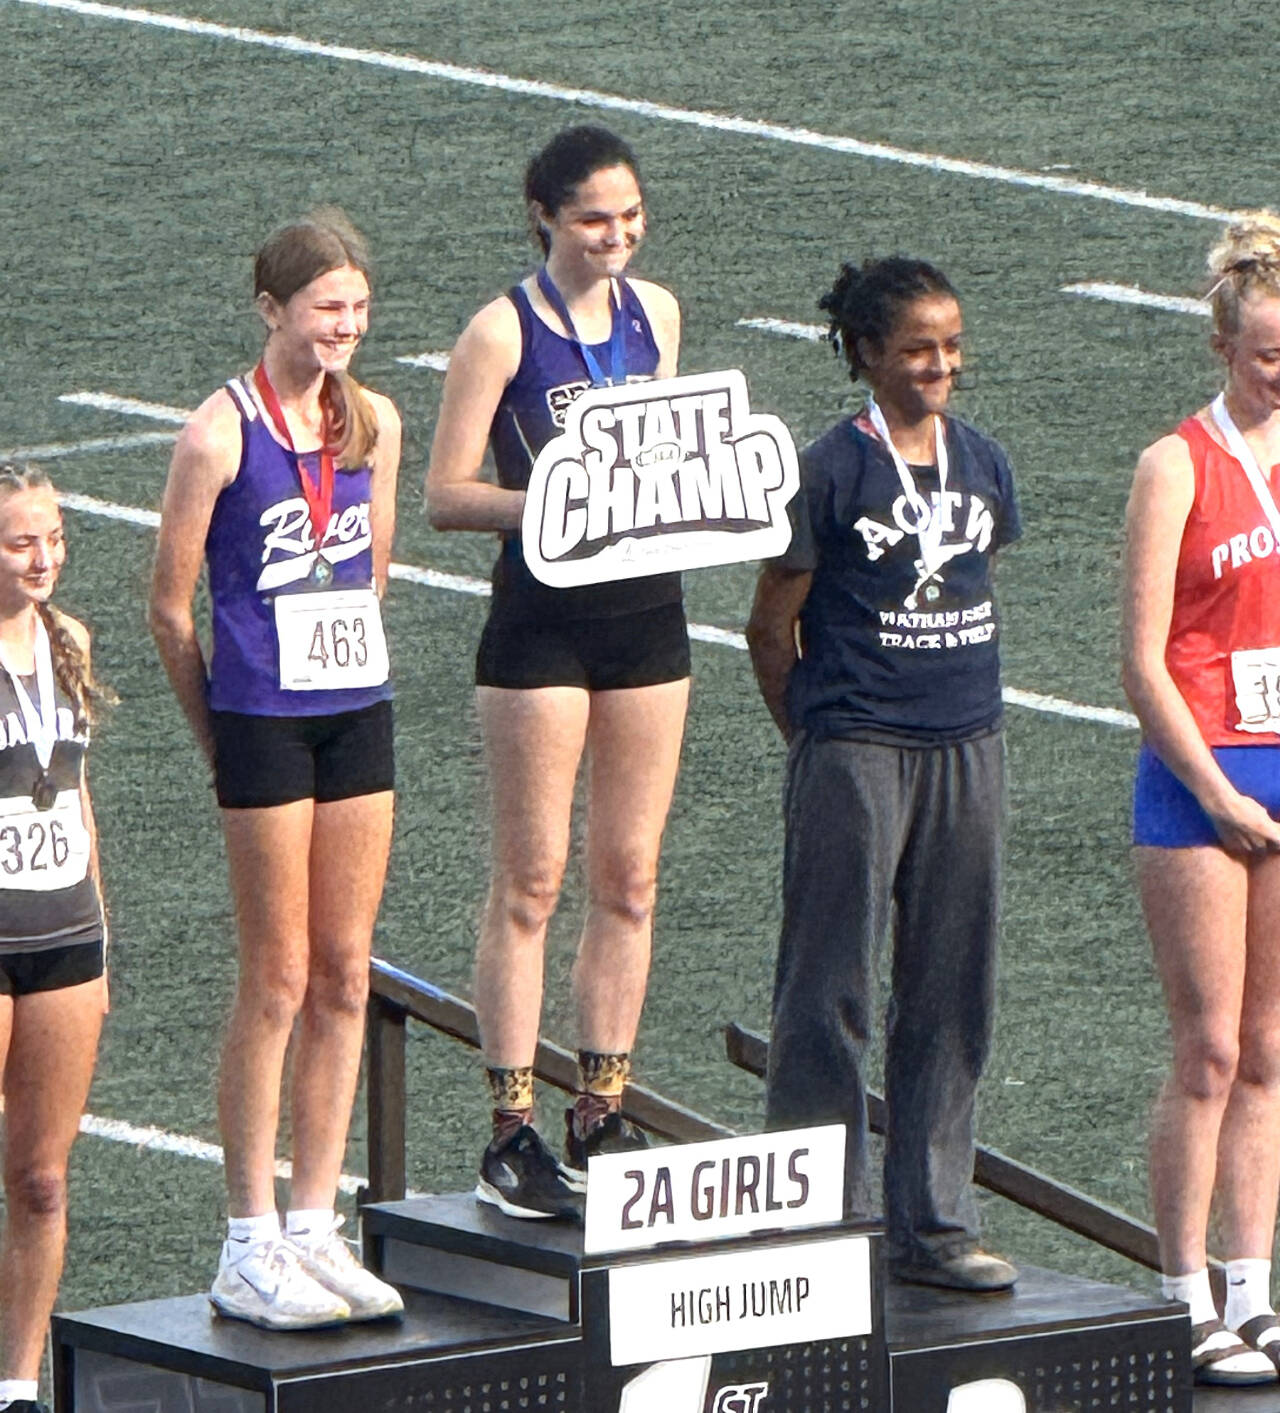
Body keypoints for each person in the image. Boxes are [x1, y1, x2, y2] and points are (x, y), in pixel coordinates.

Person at [425, 125, 686, 1220]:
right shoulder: (500, 330)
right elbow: (444, 495)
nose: (615, 236)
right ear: (541, 214)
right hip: (539, 628)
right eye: (592, 218)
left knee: (627, 876)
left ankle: (602, 1105)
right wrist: (559, 507)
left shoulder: (656, 314)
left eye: (628, 216)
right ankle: (511, 1127)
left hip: (645, 620)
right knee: (531, 879)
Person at [149, 210, 404, 1330]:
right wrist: (220, 732)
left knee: (347, 971)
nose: (342, 327)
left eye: (355, 307)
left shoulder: (373, 421)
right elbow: (168, 607)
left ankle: (313, 1222)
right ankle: (246, 1238)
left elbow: (374, 572)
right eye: (323, 308)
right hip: (260, 717)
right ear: (272, 310)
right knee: (277, 978)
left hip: (355, 712)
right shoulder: (219, 432)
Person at [747, 257, 1020, 1291]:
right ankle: (815, 1220)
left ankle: (934, 1222)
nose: (938, 365)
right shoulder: (828, 470)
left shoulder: (984, 461)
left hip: (966, 739)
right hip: (855, 743)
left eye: (949, 346)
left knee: (952, 987)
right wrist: (817, 740)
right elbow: (771, 626)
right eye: (915, 348)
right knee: (827, 990)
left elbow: (979, 582)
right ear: (864, 353)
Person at [1122, 212, 1280, 1386]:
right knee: (1208, 1049)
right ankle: (1177, 1293)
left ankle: (1250, 1286)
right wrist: (1215, 793)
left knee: (1272, 1050)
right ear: (1224, 345)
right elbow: (1138, 661)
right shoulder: (1173, 464)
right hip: (1197, 777)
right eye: (1269, 351)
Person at [0, 463, 108, 1413]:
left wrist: (102, 942)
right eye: (21, 541)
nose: (44, 559)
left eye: (53, 539)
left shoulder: (67, 638)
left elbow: (76, 800)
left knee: (40, 1180)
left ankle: (17, 1387)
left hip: (66, 937)